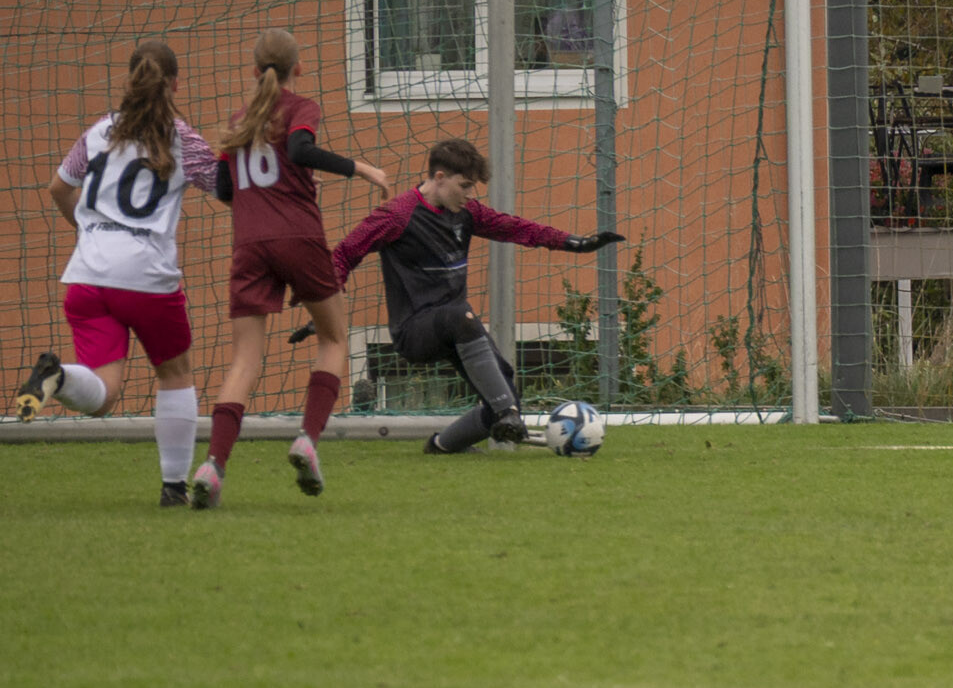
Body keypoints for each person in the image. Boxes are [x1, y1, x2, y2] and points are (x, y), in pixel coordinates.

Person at [15, 41, 227, 504]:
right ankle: (173, 488)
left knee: (104, 394)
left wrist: (88, 230)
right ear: (175, 85)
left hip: (88, 277)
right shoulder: (182, 139)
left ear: (129, 80)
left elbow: (58, 187)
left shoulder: (99, 132)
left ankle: (59, 378)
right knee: (175, 374)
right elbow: (226, 190)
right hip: (147, 278)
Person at [191, 29, 391, 509]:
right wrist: (361, 168)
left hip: (249, 244)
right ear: (298, 68)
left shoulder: (240, 120)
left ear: (254, 70)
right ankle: (307, 440)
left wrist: (268, 194)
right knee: (334, 338)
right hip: (298, 238)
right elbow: (300, 150)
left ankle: (212, 466)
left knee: (244, 361)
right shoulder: (301, 107)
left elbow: (226, 188)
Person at [329, 136, 622, 454]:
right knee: (472, 338)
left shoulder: (466, 212)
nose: (470, 194)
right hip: (414, 331)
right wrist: (327, 309)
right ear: (440, 177)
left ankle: (442, 447)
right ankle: (507, 413)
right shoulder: (397, 214)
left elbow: (516, 228)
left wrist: (575, 243)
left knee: (504, 391)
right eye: (465, 185)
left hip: (456, 326)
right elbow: (343, 254)